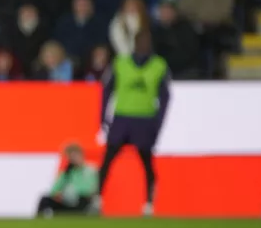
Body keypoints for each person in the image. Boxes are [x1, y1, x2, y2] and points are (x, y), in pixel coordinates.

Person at [98, 29, 170, 217]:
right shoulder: (120, 63)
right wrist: (103, 116)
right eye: (140, 41)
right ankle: (97, 198)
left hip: (145, 119)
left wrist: (159, 120)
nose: (143, 45)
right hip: (122, 117)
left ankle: (148, 203)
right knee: (108, 159)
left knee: (146, 161)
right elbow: (107, 89)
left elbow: (165, 96)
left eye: (146, 41)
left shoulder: (159, 66)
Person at [35, 143, 98, 216]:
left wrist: (74, 193)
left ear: (81, 155)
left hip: (81, 201)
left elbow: (91, 189)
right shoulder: (67, 172)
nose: (73, 159)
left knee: (84, 200)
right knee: (45, 200)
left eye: (75, 155)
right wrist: (58, 194)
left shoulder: (90, 170)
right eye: (70, 156)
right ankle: (38, 221)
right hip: (66, 201)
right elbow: (54, 189)